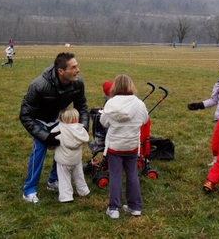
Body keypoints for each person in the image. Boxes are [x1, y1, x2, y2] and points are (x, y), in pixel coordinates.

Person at [19, 52, 89, 203]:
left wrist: (82, 128)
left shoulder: (77, 83)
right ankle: (29, 190)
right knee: (40, 150)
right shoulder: (38, 86)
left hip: (58, 119)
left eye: (77, 66)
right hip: (38, 120)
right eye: (74, 67)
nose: (78, 70)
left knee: (65, 146)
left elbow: (82, 107)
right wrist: (45, 136)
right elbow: (25, 116)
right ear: (61, 71)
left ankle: (53, 181)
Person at [100, 75, 149, 219]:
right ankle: (135, 207)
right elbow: (145, 119)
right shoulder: (139, 103)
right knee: (132, 175)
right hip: (132, 145)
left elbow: (104, 122)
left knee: (115, 176)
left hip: (115, 146)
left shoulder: (110, 103)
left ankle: (114, 208)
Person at [52, 108, 90, 203]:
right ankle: (83, 191)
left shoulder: (59, 128)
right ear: (76, 119)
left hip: (63, 160)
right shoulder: (80, 129)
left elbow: (51, 138)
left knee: (64, 178)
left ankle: (66, 197)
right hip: (76, 159)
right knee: (79, 175)